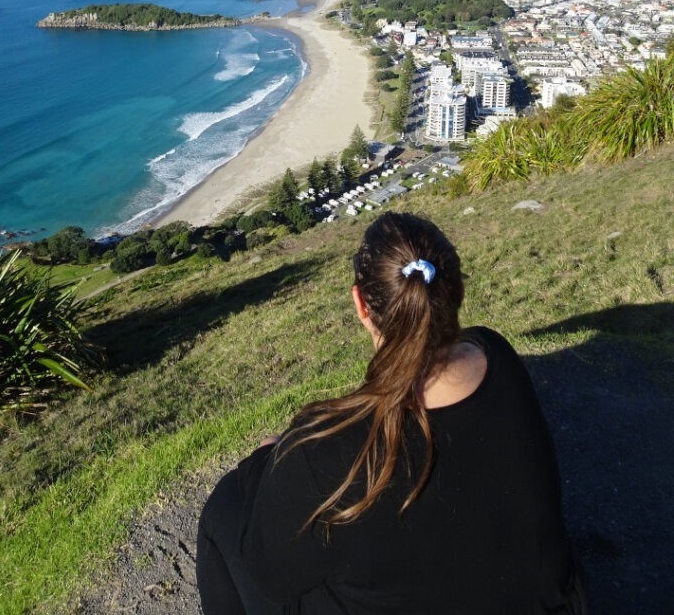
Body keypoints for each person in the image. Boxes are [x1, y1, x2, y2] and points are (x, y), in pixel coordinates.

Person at [197, 211, 585, 614]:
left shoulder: (327, 451)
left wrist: (267, 460)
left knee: (225, 508)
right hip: (555, 604)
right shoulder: (495, 353)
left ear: (361, 303)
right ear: (456, 291)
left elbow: (270, 577)